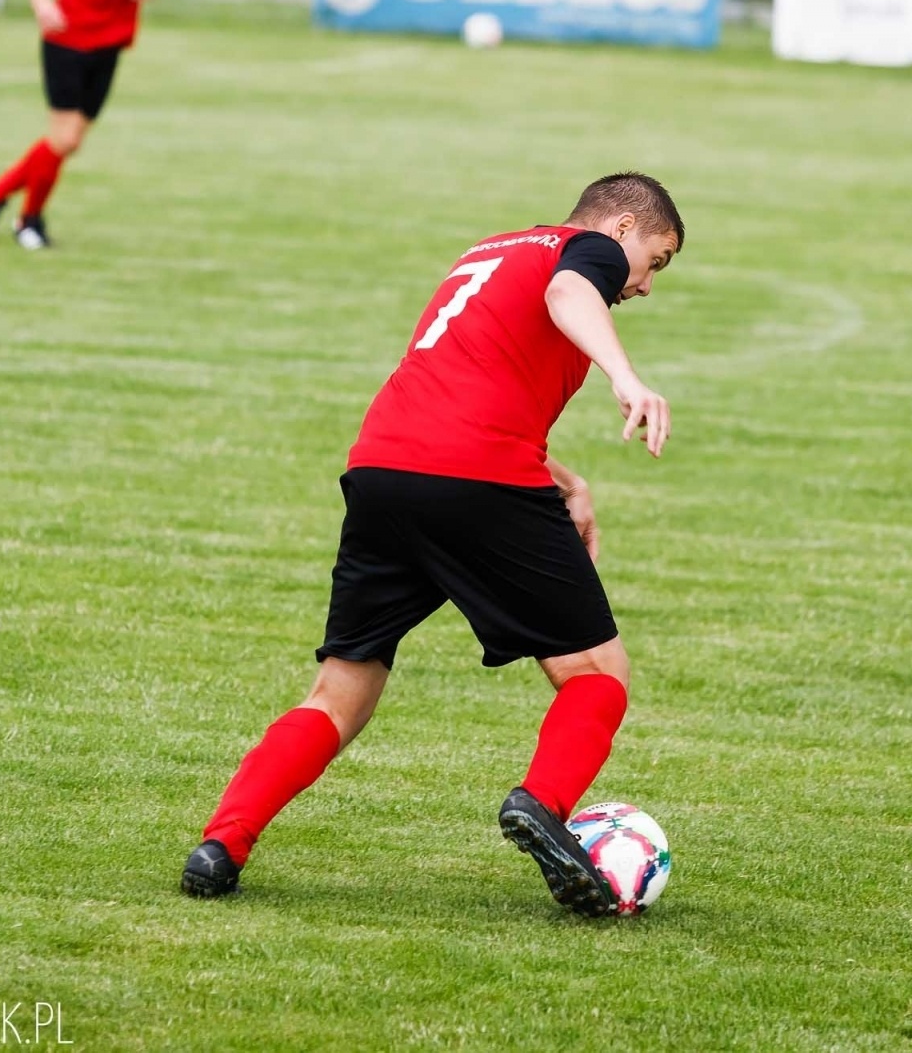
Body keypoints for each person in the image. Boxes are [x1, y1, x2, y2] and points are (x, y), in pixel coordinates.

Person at [181, 172, 684, 917]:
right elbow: (569, 294)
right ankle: (540, 807)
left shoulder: (491, 252)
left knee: (342, 690)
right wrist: (626, 377)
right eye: (655, 259)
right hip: (477, 477)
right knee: (595, 670)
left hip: (383, 468)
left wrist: (565, 479)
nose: (644, 284)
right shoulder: (585, 251)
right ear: (619, 229)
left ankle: (221, 844)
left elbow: (458, 385)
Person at [0, 0, 164, 250]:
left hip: (110, 38)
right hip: (67, 33)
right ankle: (28, 220)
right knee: (65, 139)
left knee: (69, 142)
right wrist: (40, 1)